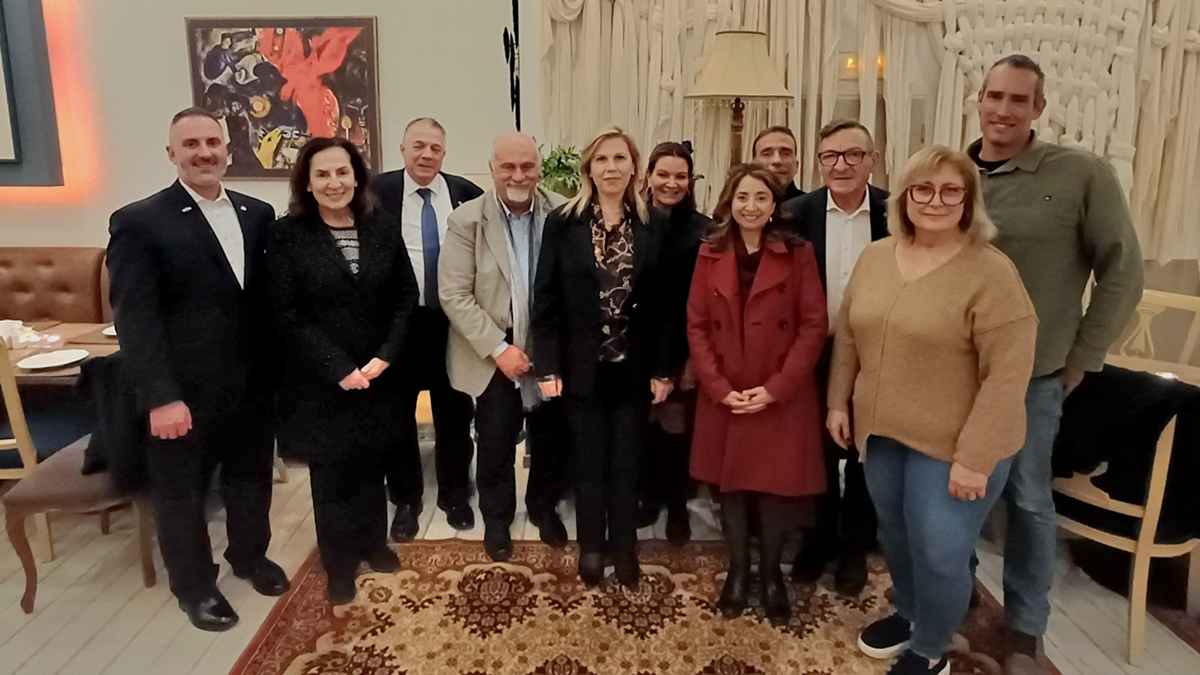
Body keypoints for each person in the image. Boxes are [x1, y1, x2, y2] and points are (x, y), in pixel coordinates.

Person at [966, 54, 1144, 675]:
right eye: (994, 96)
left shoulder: (1080, 174)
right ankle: (955, 600)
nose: (1003, 110)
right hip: (953, 373)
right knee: (950, 497)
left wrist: (1083, 357)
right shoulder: (953, 174)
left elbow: (1123, 271)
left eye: (1018, 99)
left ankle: (1025, 629)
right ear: (979, 100)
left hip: (1032, 377)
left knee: (1029, 502)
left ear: (1038, 108)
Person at [829, 146, 1037, 675]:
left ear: (969, 200)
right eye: (923, 188)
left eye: (950, 190)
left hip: (956, 444)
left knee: (941, 550)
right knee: (896, 536)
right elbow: (849, 336)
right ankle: (909, 613)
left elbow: (1008, 375)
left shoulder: (992, 272)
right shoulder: (877, 257)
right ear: (904, 197)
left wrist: (976, 457)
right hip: (883, 432)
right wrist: (837, 401)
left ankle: (931, 647)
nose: (935, 200)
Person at [106, 107, 288, 632]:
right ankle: (194, 587)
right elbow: (135, 320)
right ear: (172, 154)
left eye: (213, 142)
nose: (204, 152)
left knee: (251, 481)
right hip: (182, 395)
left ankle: (249, 556)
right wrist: (161, 397)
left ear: (229, 150)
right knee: (182, 495)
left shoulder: (257, 213)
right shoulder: (139, 221)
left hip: (250, 387)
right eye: (191, 144)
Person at [267, 137, 419, 604]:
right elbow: (286, 314)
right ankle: (338, 563)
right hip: (321, 379)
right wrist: (338, 367)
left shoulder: (381, 226)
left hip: (378, 374)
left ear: (357, 177)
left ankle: (373, 544)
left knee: (373, 463)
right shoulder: (287, 235)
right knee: (332, 473)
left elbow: (406, 296)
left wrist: (387, 355)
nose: (334, 182)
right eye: (322, 174)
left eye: (342, 172)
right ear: (307, 184)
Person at [532, 127, 675, 588]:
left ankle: (625, 548)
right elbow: (546, 300)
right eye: (601, 160)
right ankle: (592, 546)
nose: (611, 167)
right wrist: (547, 366)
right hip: (581, 368)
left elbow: (666, 308)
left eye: (619, 158)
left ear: (634, 167)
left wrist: (664, 369)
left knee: (627, 464)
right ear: (589, 169)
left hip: (634, 369)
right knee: (588, 463)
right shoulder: (562, 223)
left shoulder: (654, 223)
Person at [687, 163, 827, 625]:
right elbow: (697, 325)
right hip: (726, 393)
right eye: (742, 197)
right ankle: (737, 571)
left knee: (773, 490)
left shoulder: (798, 252)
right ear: (729, 203)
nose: (751, 206)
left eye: (761, 198)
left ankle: (770, 576)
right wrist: (718, 387)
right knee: (729, 488)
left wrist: (777, 388)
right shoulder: (709, 252)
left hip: (777, 394)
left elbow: (813, 326)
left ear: (774, 206)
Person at [439, 132, 573, 561]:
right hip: (492, 353)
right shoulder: (466, 220)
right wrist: (500, 349)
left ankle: (543, 507)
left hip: (548, 348)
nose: (518, 175)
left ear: (539, 168)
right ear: (492, 169)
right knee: (495, 441)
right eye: (508, 167)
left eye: (527, 166)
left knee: (549, 437)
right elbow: (454, 294)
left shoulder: (563, 213)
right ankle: (497, 519)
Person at [781, 119, 887, 596]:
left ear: (872, 160)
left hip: (877, 355)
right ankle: (818, 539)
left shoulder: (895, 213)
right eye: (830, 156)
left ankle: (855, 548)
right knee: (817, 450)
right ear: (818, 162)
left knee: (865, 451)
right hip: (813, 350)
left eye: (853, 155)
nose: (841, 165)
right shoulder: (795, 214)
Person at [374, 117, 484, 539]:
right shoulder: (376, 193)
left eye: (435, 148)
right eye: (418, 146)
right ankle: (406, 498)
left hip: (451, 323)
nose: (426, 154)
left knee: (455, 411)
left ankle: (455, 493)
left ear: (444, 153)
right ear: (403, 149)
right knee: (396, 414)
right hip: (399, 323)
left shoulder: (466, 194)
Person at [636, 141, 710, 545]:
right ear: (648, 176)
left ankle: (678, 506)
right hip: (637, 345)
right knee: (642, 427)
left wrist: (694, 359)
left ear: (690, 181)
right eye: (663, 174)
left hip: (685, 346)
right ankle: (648, 497)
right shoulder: (631, 222)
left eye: (680, 176)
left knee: (677, 431)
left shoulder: (705, 230)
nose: (671, 183)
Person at [751, 125, 804, 201]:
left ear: (796, 166)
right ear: (753, 166)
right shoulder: (736, 205)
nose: (777, 161)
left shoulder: (813, 206)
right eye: (767, 154)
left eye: (785, 154)